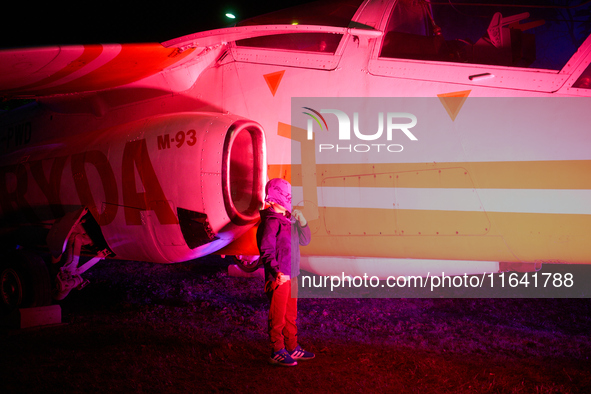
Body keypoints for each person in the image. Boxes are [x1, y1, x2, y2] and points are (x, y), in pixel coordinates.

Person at [257, 178, 314, 367]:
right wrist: (275, 271)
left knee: (291, 315)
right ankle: (277, 350)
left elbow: (305, 241)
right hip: (280, 277)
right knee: (278, 316)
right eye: (285, 196)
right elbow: (266, 250)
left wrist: (303, 222)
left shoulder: (289, 220)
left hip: (293, 275)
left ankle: (292, 347)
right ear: (274, 199)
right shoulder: (271, 223)